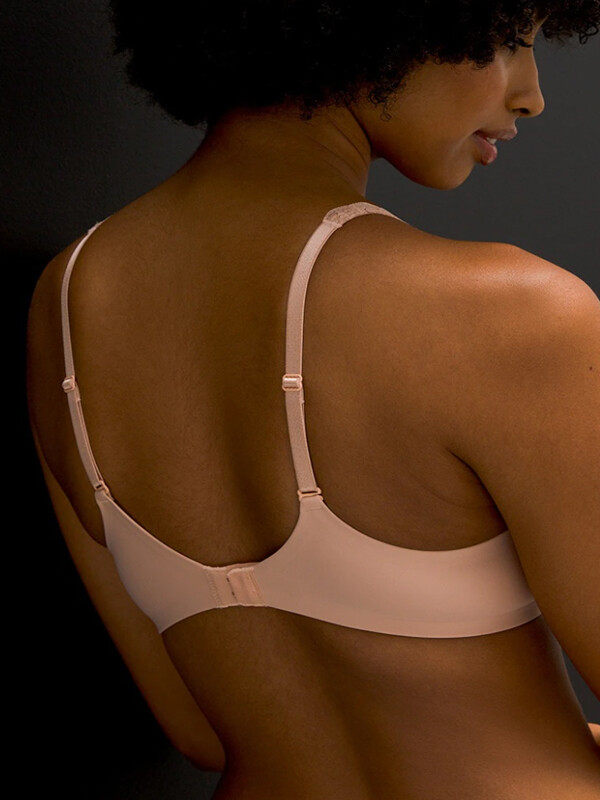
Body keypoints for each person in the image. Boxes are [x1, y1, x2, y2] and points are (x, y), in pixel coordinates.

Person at [26, 1, 600, 798]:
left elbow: (199, 730)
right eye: (505, 40)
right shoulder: (508, 316)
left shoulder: (66, 304)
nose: (530, 94)